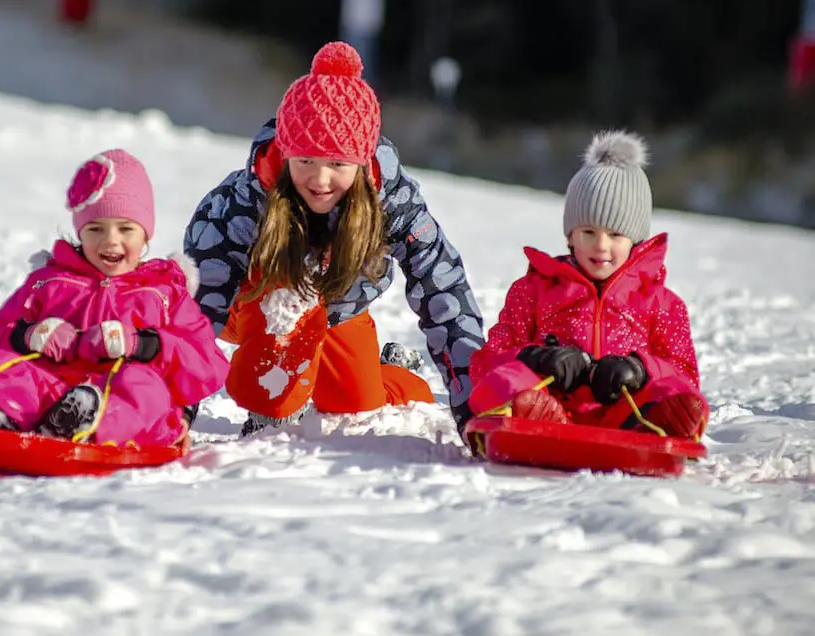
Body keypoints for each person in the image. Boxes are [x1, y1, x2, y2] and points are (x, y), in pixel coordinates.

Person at [183, 41, 486, 436]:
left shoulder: (389, 198)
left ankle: (393, 371)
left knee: (355, 401)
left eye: (338, 163)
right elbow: (196, 316)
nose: (320, 179)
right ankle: (272, 402)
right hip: (256, 305)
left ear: (360, 163)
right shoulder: (247, 200)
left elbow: (442, 286)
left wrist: (476, 405)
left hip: (339, 308)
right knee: (273, 371)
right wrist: (174, 413)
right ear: (286, 154)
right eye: (305, 160)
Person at [0, 149, 230, 448]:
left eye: (126, 228)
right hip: (52, 393)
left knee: (142, 385)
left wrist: (146, 345)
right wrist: (29, 335)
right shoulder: (50, 281)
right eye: (96, 229)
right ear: (80, 232)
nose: (110, 240)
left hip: (123, 402)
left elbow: (208, 365)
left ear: (145, 235)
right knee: (15, 368)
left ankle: (92, 426)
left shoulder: (164, 294)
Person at [466, 131, 708, 448]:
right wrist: (536, 359)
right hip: (547, 404)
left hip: (627, 415)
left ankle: (656, 426)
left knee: (679, 393)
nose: (601, 245)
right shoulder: (532, 290)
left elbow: (685, 374)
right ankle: (534, 418)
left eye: (615, 234)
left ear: (635, 241)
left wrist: (640, 369)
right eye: (589, 232)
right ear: (570, 236)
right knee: (502, 380)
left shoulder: (662, 303)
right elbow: (485, 363)